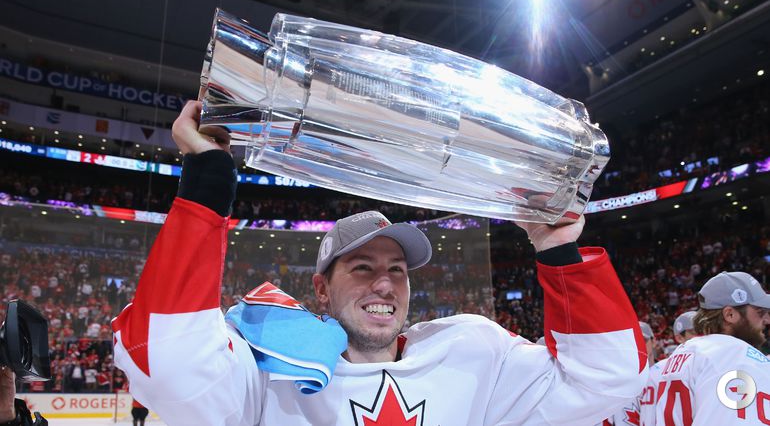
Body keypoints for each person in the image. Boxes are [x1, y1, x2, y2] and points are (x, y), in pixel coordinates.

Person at [112, 101, 648, 425]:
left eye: (397, 269)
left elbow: (607, 380)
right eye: (362, 268)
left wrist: (557, 250)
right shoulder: (271, 371)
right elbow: (166, 356)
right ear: (322, 290)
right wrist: (208, 179)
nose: (385, 283)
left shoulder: (472, 352)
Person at [655, 272, 770, 425]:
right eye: (760, 313)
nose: (767, 320)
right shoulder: (736, 357)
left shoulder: (684, 351)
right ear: (730, 314)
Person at [638, 311, 697, 426]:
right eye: (695, 332)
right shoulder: (657, 372)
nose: (702, 336)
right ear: (679, 338)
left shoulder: (661, 369)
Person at [598, 322, 656, 426]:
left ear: (654, 342)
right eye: (633, 341)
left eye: (643, 340)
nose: (638, 345)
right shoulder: (615, 382)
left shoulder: (665, 375)